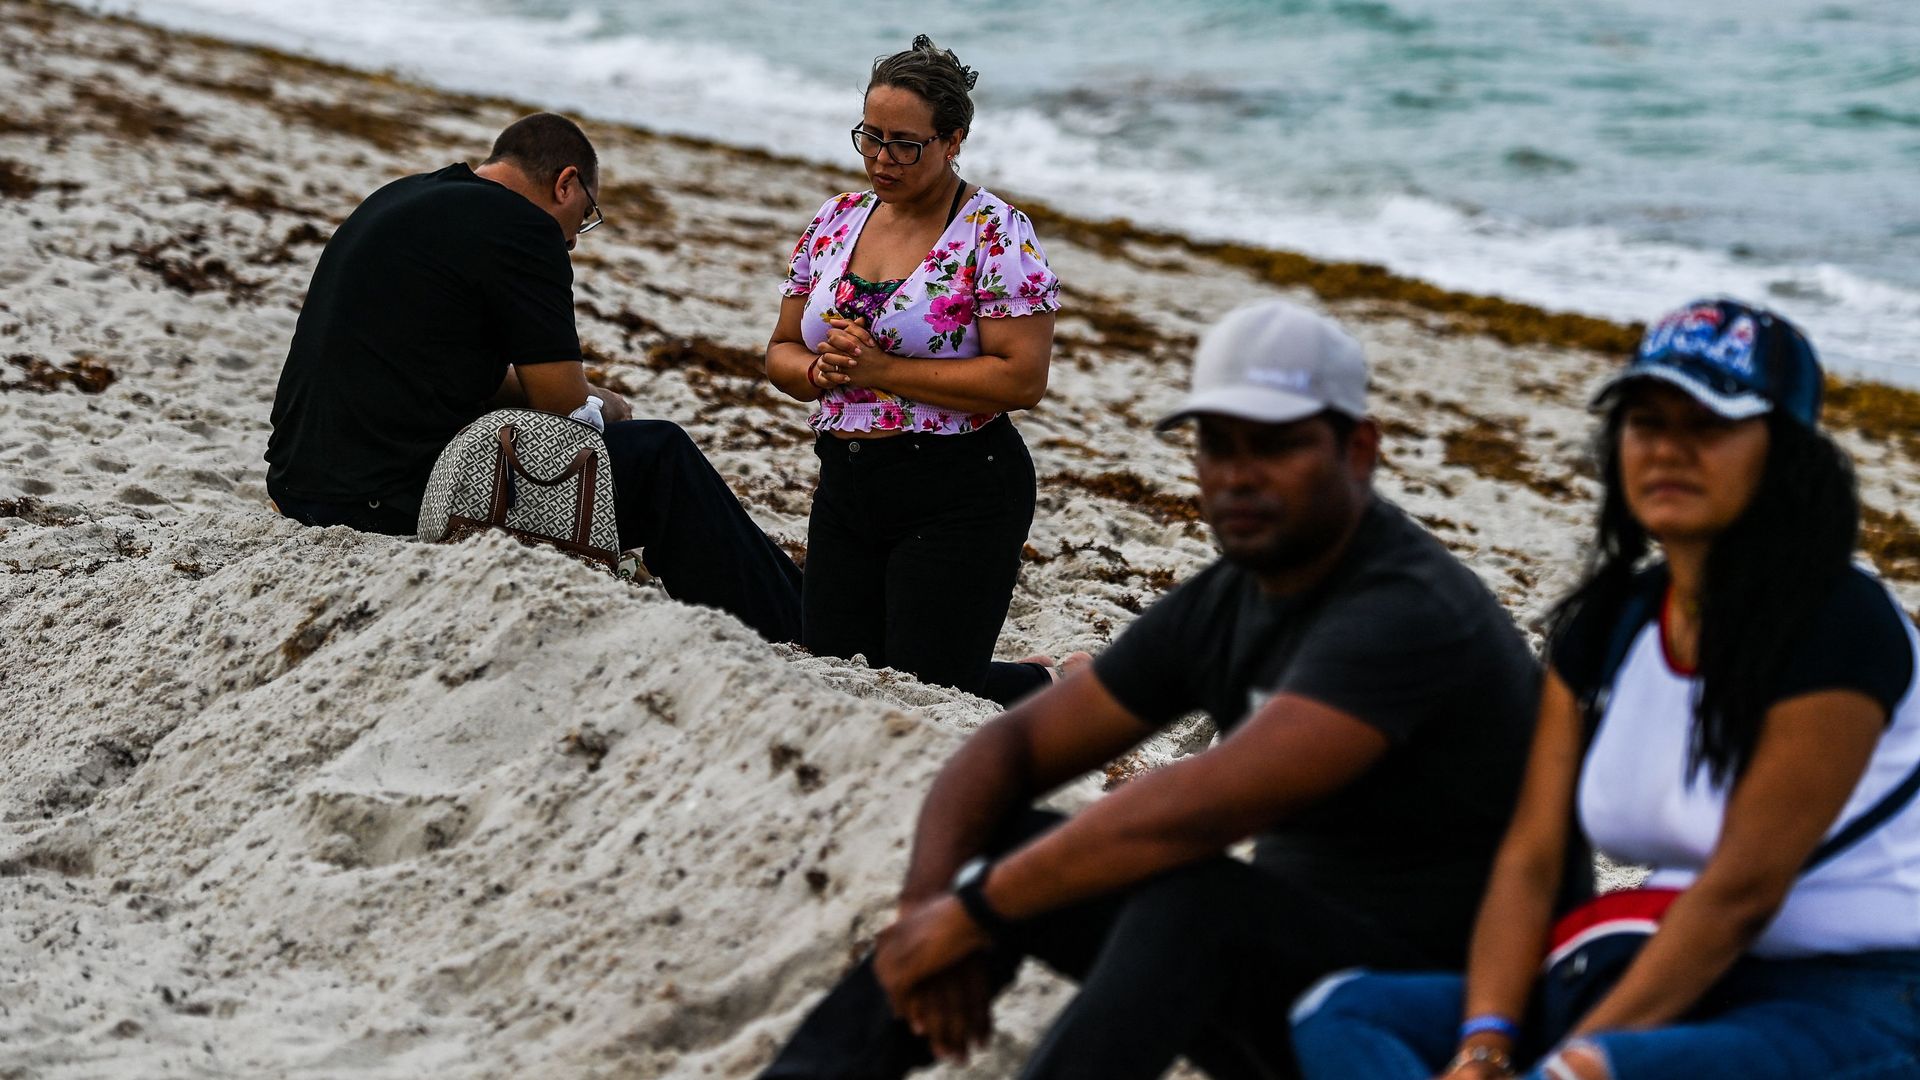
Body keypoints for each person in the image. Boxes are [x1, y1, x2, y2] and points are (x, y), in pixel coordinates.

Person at [758, 300, 1558, 1080]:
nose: (1238, 475)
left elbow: (1202, 805)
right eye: (1217, 445)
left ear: (1358, 451)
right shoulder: (1242, 591)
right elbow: (1014, 745)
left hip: (1432, 1019)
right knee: (1006, 846)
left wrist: (973, 915)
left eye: (1274, 446)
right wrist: (929, 915)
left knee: (1193, 905)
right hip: (1290, 974)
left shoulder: (1407, 608)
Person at [1291, 300, 1920, 1080]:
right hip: (1668, 966)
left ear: (1783, 452)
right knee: (1342, 1012)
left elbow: (1741, 896)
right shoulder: (1609, 625)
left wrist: (1553, 1060)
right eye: (1646, 422)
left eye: (1709, 426)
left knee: (1587, 1071)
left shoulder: (1839, 623)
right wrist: (1485, 1044)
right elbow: (1530, 856)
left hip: (1866, 997)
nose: (1669, 451)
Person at [265, 113, 802, 643]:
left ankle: (796, 596)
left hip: (301, 483)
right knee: (662, 455)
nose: (573, 240)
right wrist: (606, 405)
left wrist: (587, 393)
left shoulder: (403, 196)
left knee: (639, 453)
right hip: (380, 499)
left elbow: (444, 365)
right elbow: (564, 409)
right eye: (586, 215)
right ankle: (790, 624)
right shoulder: (523, 227)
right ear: (566, 183)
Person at [765, 36, 1062, 706]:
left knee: (927, 694)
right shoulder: (835, 220)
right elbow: (781, 349)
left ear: (953, 140)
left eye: (905, 143)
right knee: (840, 679)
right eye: (870, 136)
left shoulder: (996, 233)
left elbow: (1023, 380)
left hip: (960, 488)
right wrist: (820, 375)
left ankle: (1046, 686)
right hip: (846, 482)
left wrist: (881, 368)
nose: (880, 158)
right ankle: (1040, 679)